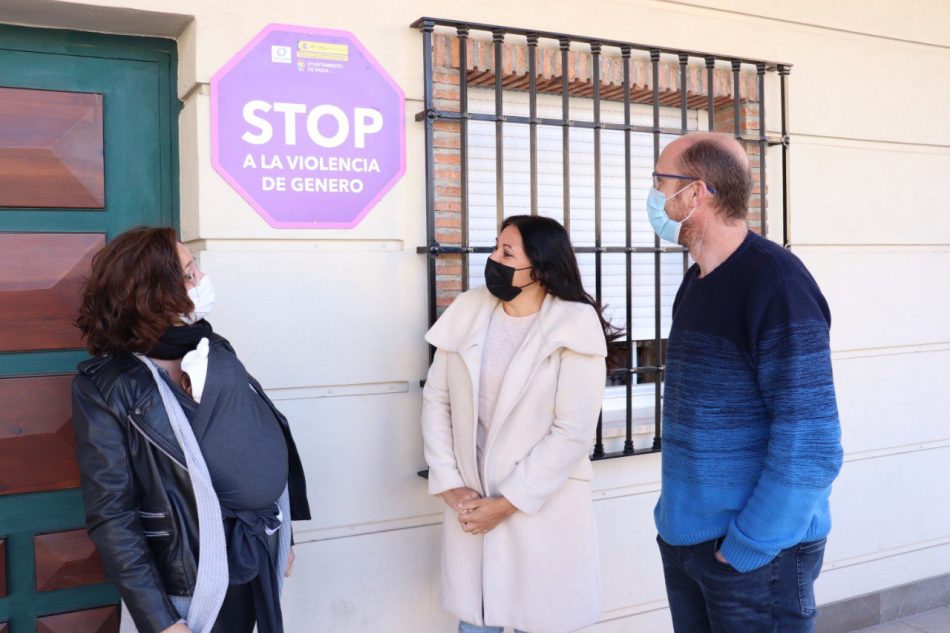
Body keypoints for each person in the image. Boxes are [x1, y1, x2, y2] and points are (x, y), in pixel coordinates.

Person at [71, 226, 310, 633]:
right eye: (186, 273)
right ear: (150, 292)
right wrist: (160, 620)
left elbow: (256, 438)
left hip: (252, 559)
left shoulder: (211, 347)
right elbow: (112, 516)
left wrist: (282, 533)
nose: (199, 279)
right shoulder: (108, 386)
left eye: (194, 266)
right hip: (184, 586)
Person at [649, 132, 843, 632]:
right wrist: (672, 520)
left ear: (696, 193)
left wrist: (748, 546)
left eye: (659, 182)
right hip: (688, 541)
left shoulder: (777, 284)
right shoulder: (696, 282)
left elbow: (812, 444)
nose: (652, 195)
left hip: (754, 555)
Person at [421, 214, 621, 633]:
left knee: (540, 618)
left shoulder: (573, 325)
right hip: (472, 507)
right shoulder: (470, 310)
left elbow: (572, 433)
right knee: (476, 622)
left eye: (506, 252)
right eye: (496, 246)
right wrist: (449, 480)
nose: (493, 259)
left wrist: (507, 503)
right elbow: (437, 399)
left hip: (541, 510)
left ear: (542, 268)